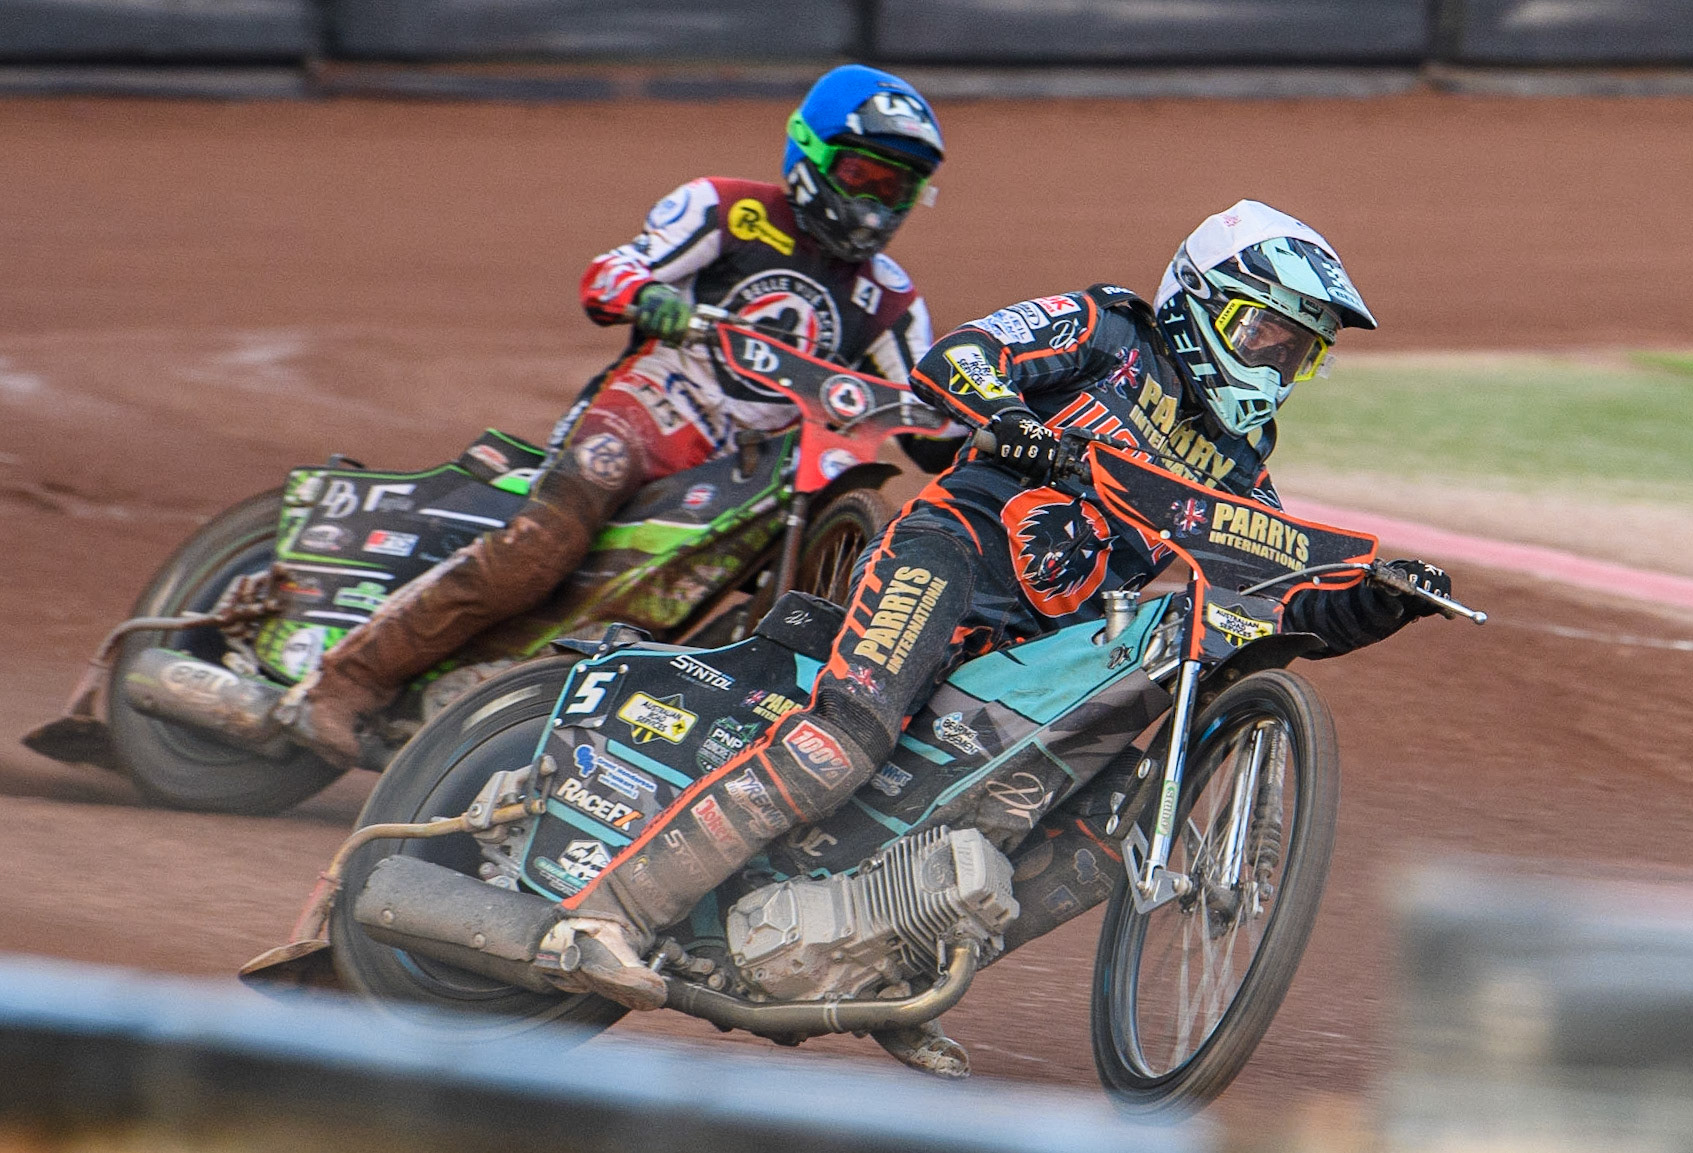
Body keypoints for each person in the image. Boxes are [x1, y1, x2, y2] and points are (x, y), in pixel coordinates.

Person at [525, 201, 1455, 1076]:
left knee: (1107, 821)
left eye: (1300, 352)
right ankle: (604, 910)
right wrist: (1013, 423)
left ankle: (888, 975)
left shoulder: (1241, 459)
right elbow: (959, 358)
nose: (1280, 364)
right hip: (950, 557)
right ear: (1205, 303)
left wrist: (1376, 605)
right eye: (1270, 335)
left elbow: (1270, 598)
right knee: (846, 735)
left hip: (1045, 649)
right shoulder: (1109, 329)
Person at [283, 64, 956, 765]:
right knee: (539, 549)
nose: (875, 204)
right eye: (863, 176)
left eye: (896, 187)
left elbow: (928, 405)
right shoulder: (725, 209)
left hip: (747, 471)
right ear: (810, 155)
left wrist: (970, 426)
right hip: (645, 416)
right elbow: (610, 273)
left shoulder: (891, 299)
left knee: (692, 595)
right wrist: (647, 294)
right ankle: (346, 679)